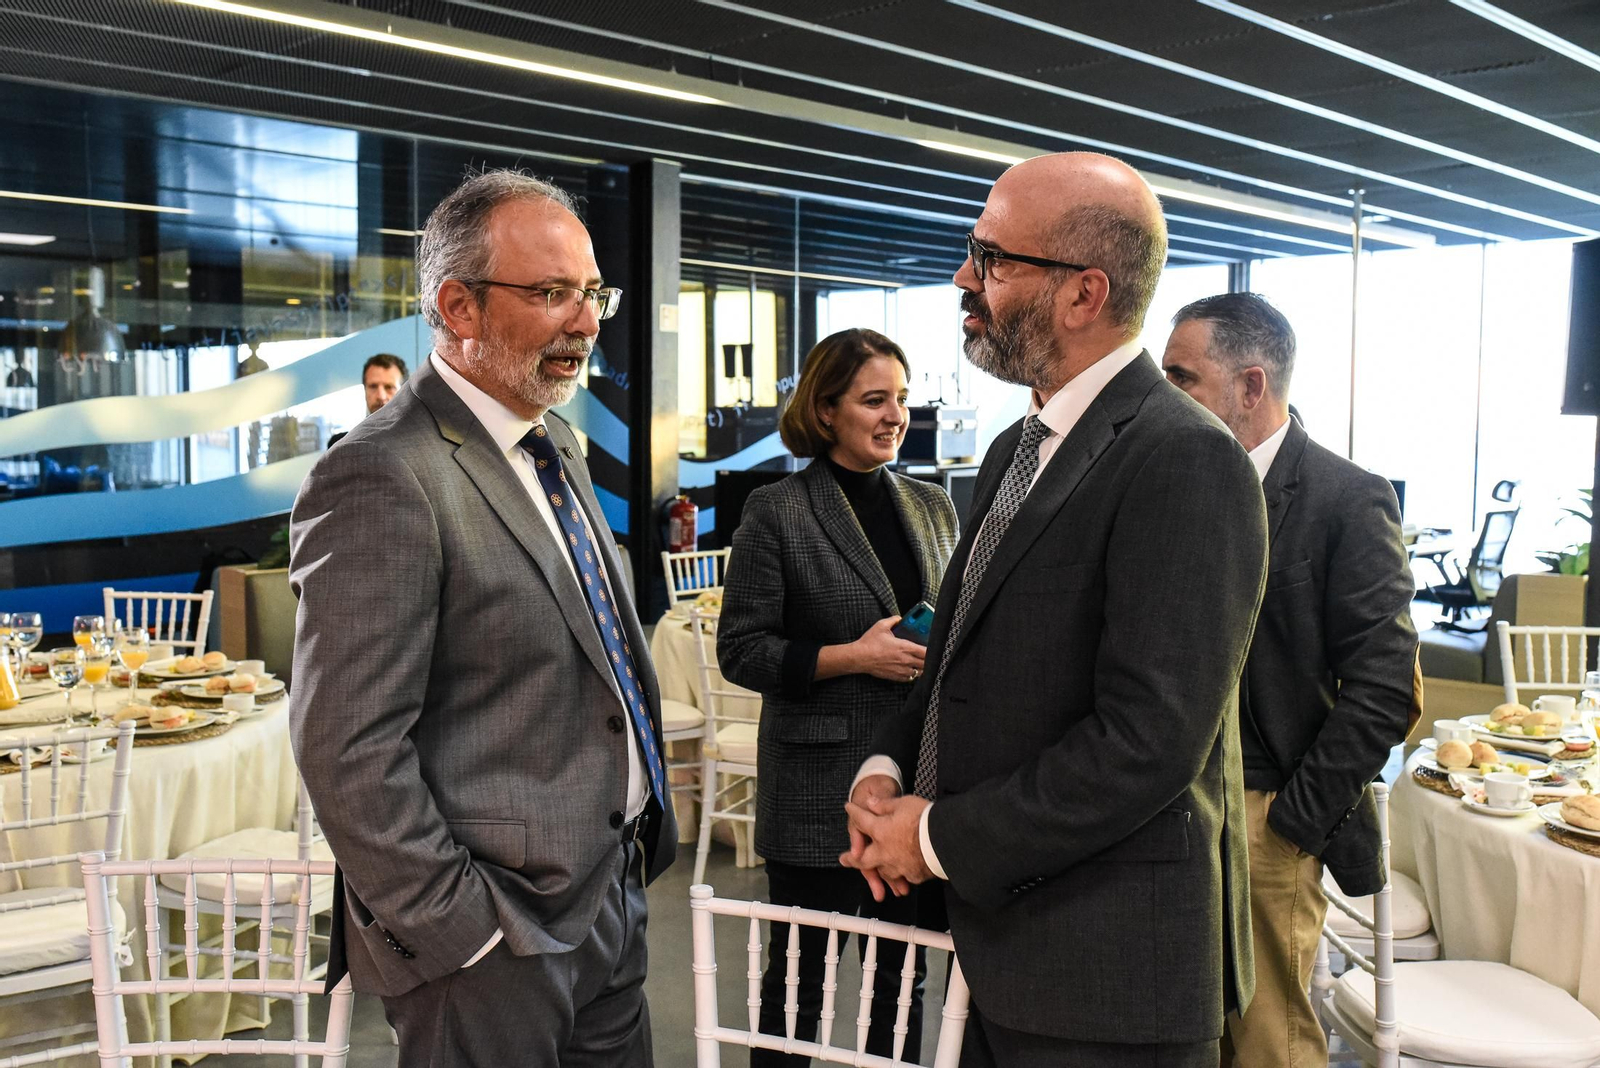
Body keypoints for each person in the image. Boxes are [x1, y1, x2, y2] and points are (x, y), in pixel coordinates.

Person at [841, 151, 1268, 1068]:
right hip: (1001, 943)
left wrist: (934, 835)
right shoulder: (1013, 449)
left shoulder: (1184, 460)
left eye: (991, 258)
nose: (964, 277)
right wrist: (886, 767)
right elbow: (956, 654)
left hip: (1108, 972)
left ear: (1083, 295)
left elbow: (1146, 743)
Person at [289, 168, 675, 1067]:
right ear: (457, 307)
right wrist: (458, 931)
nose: (585, 322)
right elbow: (346, 747)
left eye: (591, 294)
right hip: (489, 939)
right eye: (551, 294)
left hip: (607, 895)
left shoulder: (554, 443)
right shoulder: (382, 474)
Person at [1161, 292, 1418, 1067]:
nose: (1162, 395)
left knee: (1269, 1039)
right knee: (1183, 1029)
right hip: (1164, 804)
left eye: (1182, 378)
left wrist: (1294, 820)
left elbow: (1386, 690)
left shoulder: (1347, 498)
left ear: (1249, 386)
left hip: (1269, 814)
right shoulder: (1171, 487)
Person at [717, 327, 959, 1066]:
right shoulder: (778, 510)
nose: (896, 417)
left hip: (916, 792)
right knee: (796, 994)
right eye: (874, 400)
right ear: (826, 412)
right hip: (818, 792)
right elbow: (741, 650)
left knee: (903, 987)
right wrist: (857, 655)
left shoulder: (934, 506)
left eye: (903, 401)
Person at [328, 353, 408, 446]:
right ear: (365, 389)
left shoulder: (419, 442)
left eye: (389, 387)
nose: (381, 396)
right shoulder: (340, 445)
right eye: (373, 386)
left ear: (403, 391)